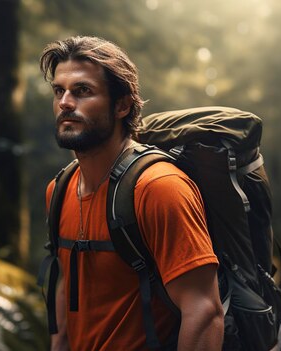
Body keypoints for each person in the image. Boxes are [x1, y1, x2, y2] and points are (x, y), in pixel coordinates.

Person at [40, 36, 224, 351]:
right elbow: (68, 286)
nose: (65, 102)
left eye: (82, 91)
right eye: (59, 90)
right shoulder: (59, 190)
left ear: (122, 105)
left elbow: (204, 311)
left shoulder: (159, 188)